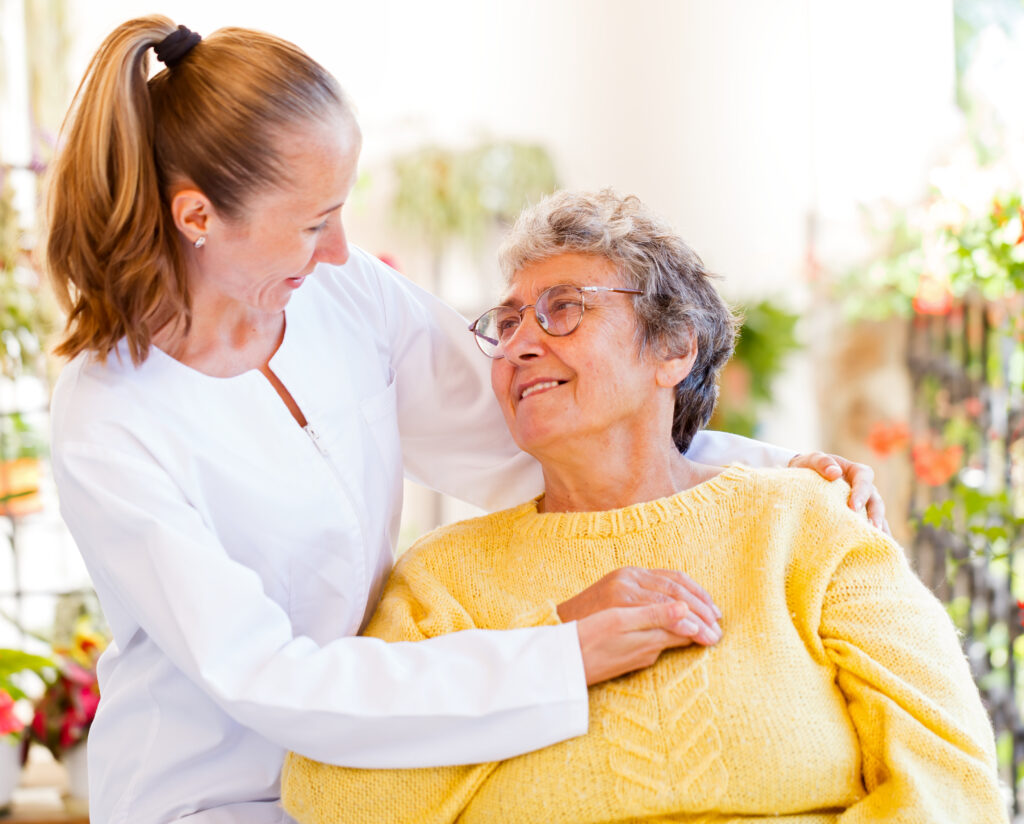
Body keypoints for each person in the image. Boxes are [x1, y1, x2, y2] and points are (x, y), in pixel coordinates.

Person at [45, 17, 886, 824]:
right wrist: (562, 652)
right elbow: (267, 676)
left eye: (341, 210)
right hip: (210, 794)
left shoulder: (344, 298)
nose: (340, 249)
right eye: (313, 223)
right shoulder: (113, 418)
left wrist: (770, 471)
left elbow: (539, 435)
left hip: (394, 754)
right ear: (198, 218)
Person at [281, 190, 1005, 824]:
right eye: (506, 325)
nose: (519, 345)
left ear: (674, 349)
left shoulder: (810, 527)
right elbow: (331, 801)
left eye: (562, 309)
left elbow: (952, 789)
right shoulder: (446, 578)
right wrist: (551, 647)